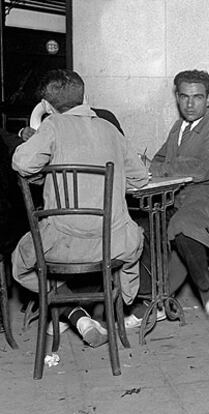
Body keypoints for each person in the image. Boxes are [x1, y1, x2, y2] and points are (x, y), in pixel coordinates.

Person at [12, 69, 149, 348]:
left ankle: (71, 310)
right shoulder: (110, 129)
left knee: (20, 267)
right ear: (86, 97)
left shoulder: (51, 126)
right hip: (113, 245)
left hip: (61, 245)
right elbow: (140, 178)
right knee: (134, 241)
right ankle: (102, 308)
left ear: (47, 106)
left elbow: (22, 164)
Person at [126, 70, 209, 327]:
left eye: (198, 97)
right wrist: (147, 166)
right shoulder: (179, 126)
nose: (190, 104)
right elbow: (158, 159)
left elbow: (201, 168)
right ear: (177, 98)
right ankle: (152, 299)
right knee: (143, 224)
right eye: (185, 97)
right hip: (181, 197)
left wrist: (156, 169)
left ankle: (206, 290)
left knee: (183, 223)